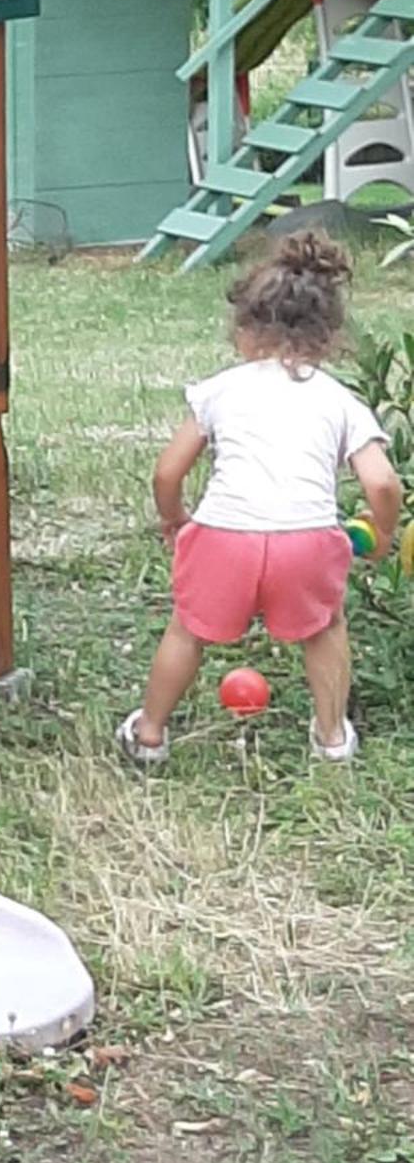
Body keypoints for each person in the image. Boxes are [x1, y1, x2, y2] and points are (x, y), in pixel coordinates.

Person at [117, 231, 402, 768]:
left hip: (224, 535)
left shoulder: (222, 389)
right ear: (329, 336)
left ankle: (149, 733)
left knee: (186, 629)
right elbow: (383, 483)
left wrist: (175, 517)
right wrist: (381, 531)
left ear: (245, 329)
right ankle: (332, 739)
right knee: (325, 627)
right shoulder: (340, 401)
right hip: (308, 540)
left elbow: (167, 470)